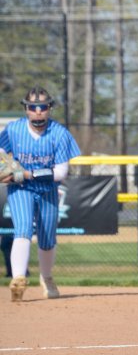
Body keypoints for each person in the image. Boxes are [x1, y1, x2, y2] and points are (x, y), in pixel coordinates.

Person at [0, 86, 81, 301]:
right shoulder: (13, 130)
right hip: (20, 189)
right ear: (26, 109)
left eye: (42, 107)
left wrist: (25, 173)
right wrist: (4, 168)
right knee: (23, 229)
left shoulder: (60, 133)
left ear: (50, 108)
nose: (38, 111)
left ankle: (46, 277)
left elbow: (61, 172)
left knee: (47, 239)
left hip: (47, 190)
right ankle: (18, 278)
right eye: (32, 107)